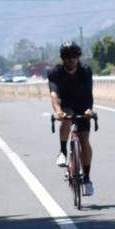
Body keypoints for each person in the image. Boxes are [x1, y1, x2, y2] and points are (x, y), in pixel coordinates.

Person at [48, 40, 96, 196]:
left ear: (78, 57)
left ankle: (87, 179)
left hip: (83, 105)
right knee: (66, 117)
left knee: (84, 141)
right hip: (66, 104)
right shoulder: (55, 73)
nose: (71, 59)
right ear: (63, 58)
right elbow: (54, 94)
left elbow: (89, 93)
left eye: (74, 56)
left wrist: (89, 109)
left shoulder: (85, 71)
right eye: (68, 56)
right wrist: (57, 111)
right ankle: (62, 152)